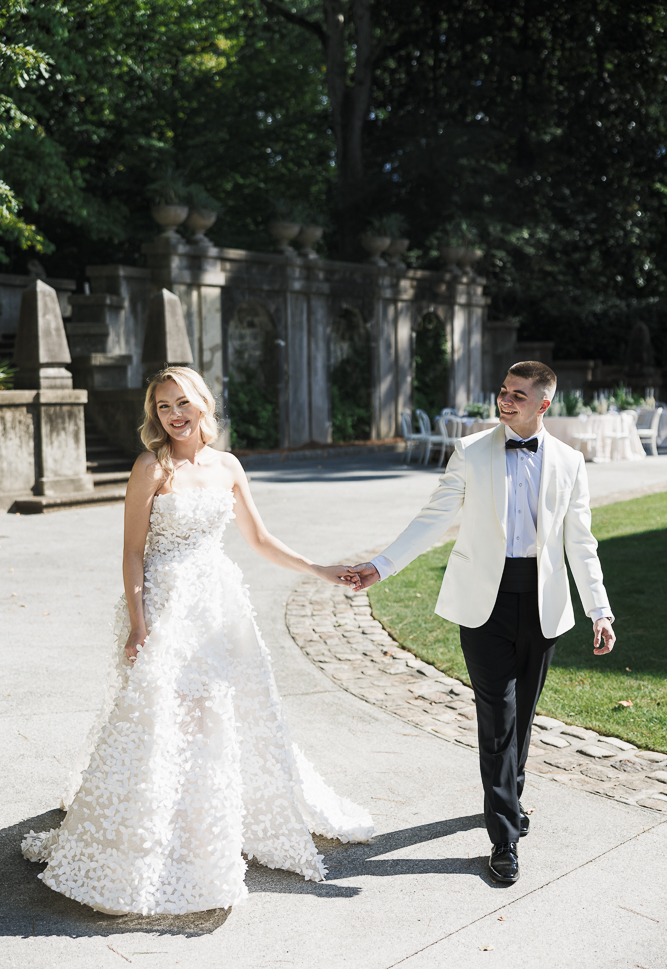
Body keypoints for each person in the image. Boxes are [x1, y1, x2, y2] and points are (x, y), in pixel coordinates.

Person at [22, 366, 373, 915]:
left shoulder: (228, 466)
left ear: (203, 404)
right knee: (166, 718)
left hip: (218, 605)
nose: (174, 415)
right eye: (163, 407)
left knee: (217, 715)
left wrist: (318, 569)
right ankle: (155, 833)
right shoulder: (151, 467)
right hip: (165, 606)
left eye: (182, 402)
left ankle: (206, 824)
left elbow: (259, 538)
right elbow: (132, 552)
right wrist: (139, 624)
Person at [348, 361, 615, 885]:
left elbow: (581, 542)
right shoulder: (470, 452)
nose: (504, 401)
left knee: (523, 714)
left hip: (542, 606)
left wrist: (599, 610)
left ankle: (509, 797)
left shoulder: (569, 461)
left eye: (518, 395)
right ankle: (503, 837)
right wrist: (381, 565)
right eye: (503, 391)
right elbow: (432, 518)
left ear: (543, 404)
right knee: (497, 718)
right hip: (484, 606)